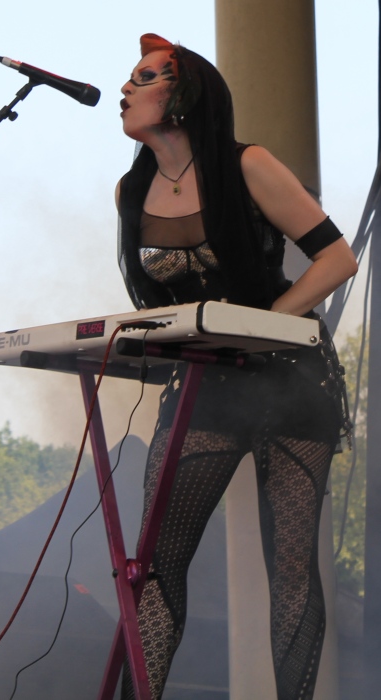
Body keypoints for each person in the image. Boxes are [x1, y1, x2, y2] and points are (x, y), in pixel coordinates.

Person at [115, 33, 358, 700]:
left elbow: (337, 258)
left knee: (290, 568)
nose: (125, 89)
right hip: (206, 384)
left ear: (184, 94)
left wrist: (264, 325)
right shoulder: (131, 191)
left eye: (143, 77)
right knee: (157, 563)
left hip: (289, 381)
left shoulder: (248, 164)